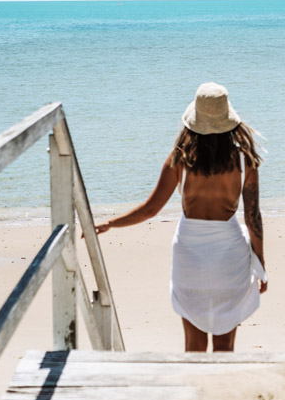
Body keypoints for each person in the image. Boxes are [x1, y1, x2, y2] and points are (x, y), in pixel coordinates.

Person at [94, 82, 267, 352]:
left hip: (191, 256)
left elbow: (150, 209)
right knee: (225, 345)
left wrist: (111, 223)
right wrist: (260, 261)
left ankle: (195, 391)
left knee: (194, 345)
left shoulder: (179, 160)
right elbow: (252, 216)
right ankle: (222, 392)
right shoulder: (245, 161)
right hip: (229, 255)